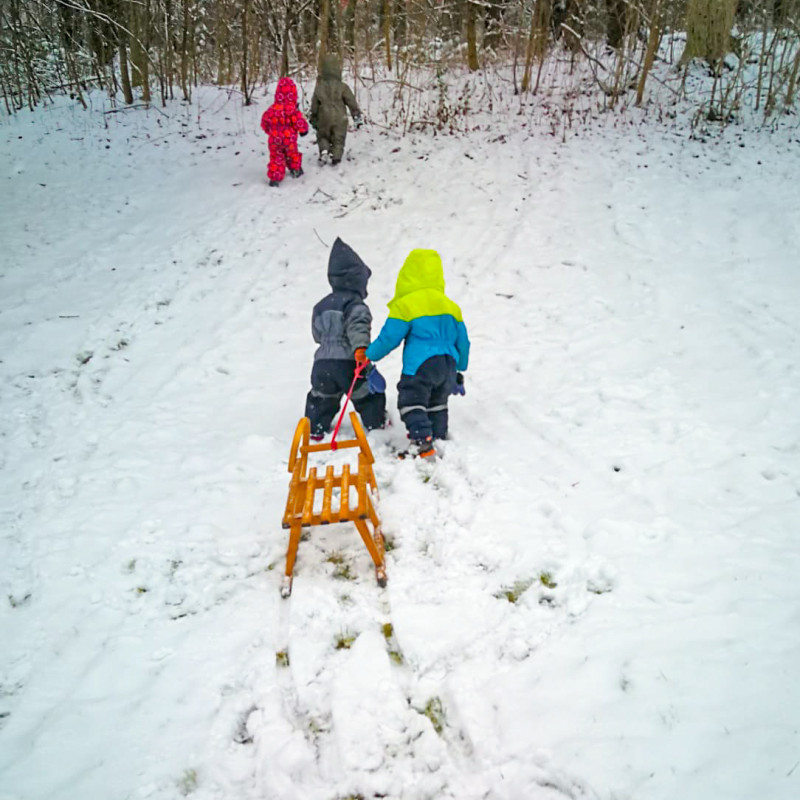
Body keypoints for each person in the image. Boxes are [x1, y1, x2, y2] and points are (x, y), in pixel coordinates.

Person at [365, 249, 470, 458]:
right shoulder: (451, 307)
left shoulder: (407, 304)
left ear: (407, 276)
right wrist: (460, 369)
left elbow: (389, 338)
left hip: (421, 364)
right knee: (437, 402)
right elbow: (464, 342)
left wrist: (371, 355)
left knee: (411, 400)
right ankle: (437, 435)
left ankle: (422, 441)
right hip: (448, 363)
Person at [305, 238, 386, 440]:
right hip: (349, 362)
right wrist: (360, 349)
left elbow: (317, 334)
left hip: (322, 363)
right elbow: (357, 326)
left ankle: (315, 428)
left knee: (322, 397)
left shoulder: (321, 305)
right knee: (367, 395)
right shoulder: (355, 304)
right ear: (356, 280)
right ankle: (376, 423)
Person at [309, 54, 363, 166]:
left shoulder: (320, 87)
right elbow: (351, 101)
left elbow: (315, 103)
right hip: (340, 116)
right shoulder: (343, 87)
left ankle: (324, 150)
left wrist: (314, 116)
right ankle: (336, 156)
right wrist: (356, 114)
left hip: (324, 116)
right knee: (339, 137)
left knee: (323, 135)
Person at [260, 77, 309, 187]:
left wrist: (271, 131)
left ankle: (275, 178)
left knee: (276, 157)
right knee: (292, 154)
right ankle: (295, 169)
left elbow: (264, 122)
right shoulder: (292, 110)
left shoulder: (272, 109)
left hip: (274, 140)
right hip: (289, 140)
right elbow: (299, 122)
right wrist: (303, 130)